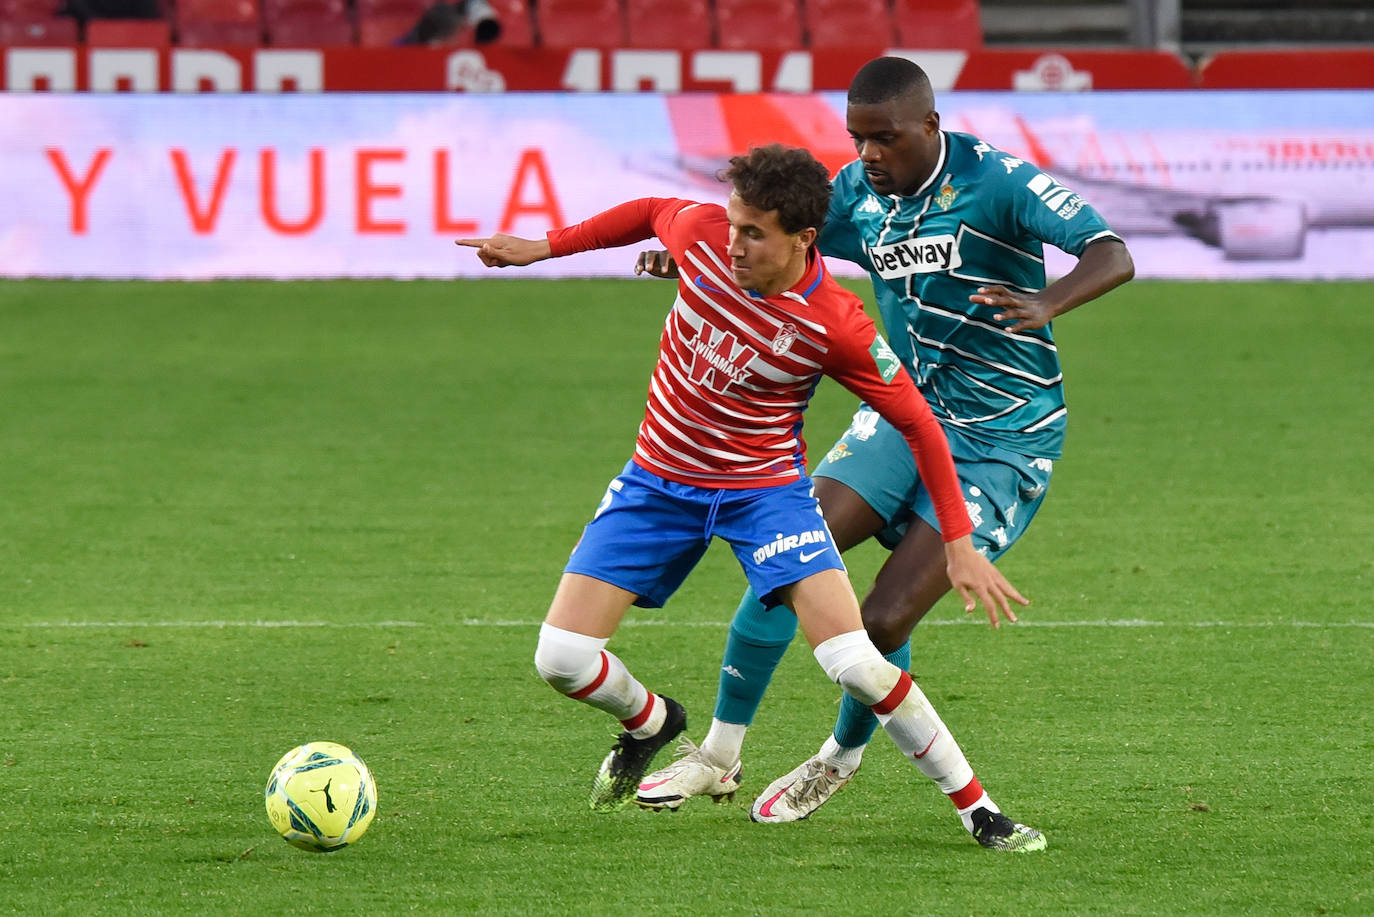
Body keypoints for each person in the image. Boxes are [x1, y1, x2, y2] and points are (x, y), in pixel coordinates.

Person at [457, 143, 1045, 852]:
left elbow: (919, 421)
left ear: (802, 240)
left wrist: (957, 542)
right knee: (561, 659)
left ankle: (980, 810)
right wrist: (540, 248)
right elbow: (650, 212)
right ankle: (652, 724)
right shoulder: (703, 237)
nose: (729, 243)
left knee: (855, 660)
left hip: (764, 493)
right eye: (732, 225)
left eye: (752, 233)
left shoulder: (836, 322)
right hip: (657, 482)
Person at [635, 56, 1135, 829]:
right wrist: (698, 251)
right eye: (857, 139)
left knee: (884, 620)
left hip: (1003, 435)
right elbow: (772, 236)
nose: (868, 156)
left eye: (885, 139)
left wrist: (1048, 300)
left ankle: (839, 756)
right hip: (902, 416)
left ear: (929, 127)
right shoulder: (861, 193)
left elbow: (1112, 251)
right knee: (788, 555)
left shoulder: (999, 182)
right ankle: (718, 752)